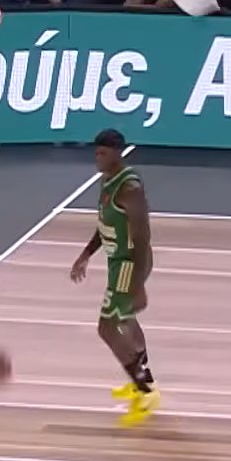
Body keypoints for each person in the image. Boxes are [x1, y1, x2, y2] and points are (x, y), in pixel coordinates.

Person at [70, 129, 160, 427]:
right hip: (117, 262)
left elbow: (143, 237)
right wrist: (85, 255)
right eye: (96, 153)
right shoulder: (107, 180)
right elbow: (106, 224)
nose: (99, 158)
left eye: (104, 153)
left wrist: (137, 285)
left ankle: (144, 391)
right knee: (126, 320)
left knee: (106, 327)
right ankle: (143, 379)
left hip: (129, 264)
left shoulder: (129, 187)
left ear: (118, 152)